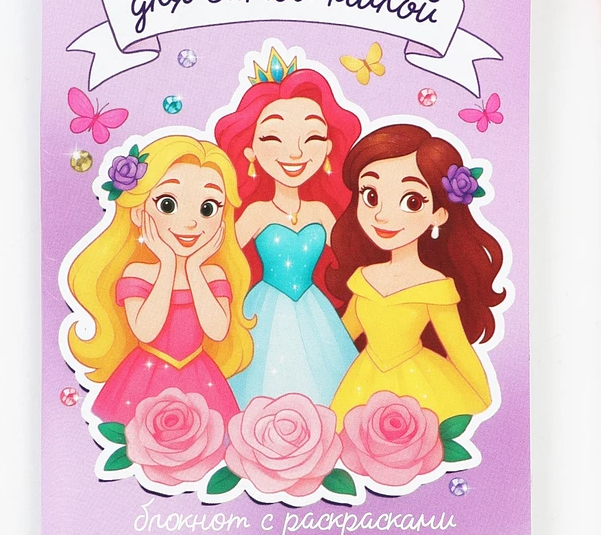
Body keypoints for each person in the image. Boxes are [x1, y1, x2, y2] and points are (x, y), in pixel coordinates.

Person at [67, 135, 253, 425]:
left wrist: (194, 267)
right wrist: (167, 263)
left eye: (207, 208)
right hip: (145, 376)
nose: (191, 223)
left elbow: (217, 331)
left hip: (201, 378)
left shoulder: (213, 274)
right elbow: (146, 330)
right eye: (168, 204)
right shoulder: (138, 272)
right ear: (139, 213)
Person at [327, 123, 505, 425]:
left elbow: (458, 349)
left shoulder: (435, 286)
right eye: (371, 196)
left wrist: (483, 399)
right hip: (361, 383)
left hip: (418, 385)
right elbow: (341, 338)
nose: (382, 215)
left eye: (411, 201)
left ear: (439, 214)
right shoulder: (365, 277)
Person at [213, 48, 362, 406]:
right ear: (250, 151)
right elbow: (222, 259)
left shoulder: (322, 213)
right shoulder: (256, 213)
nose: (294, 153)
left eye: (311, 138)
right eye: (272, 138)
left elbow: (354, 260)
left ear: (328, 147)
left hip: (315, 310)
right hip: (262, 310)